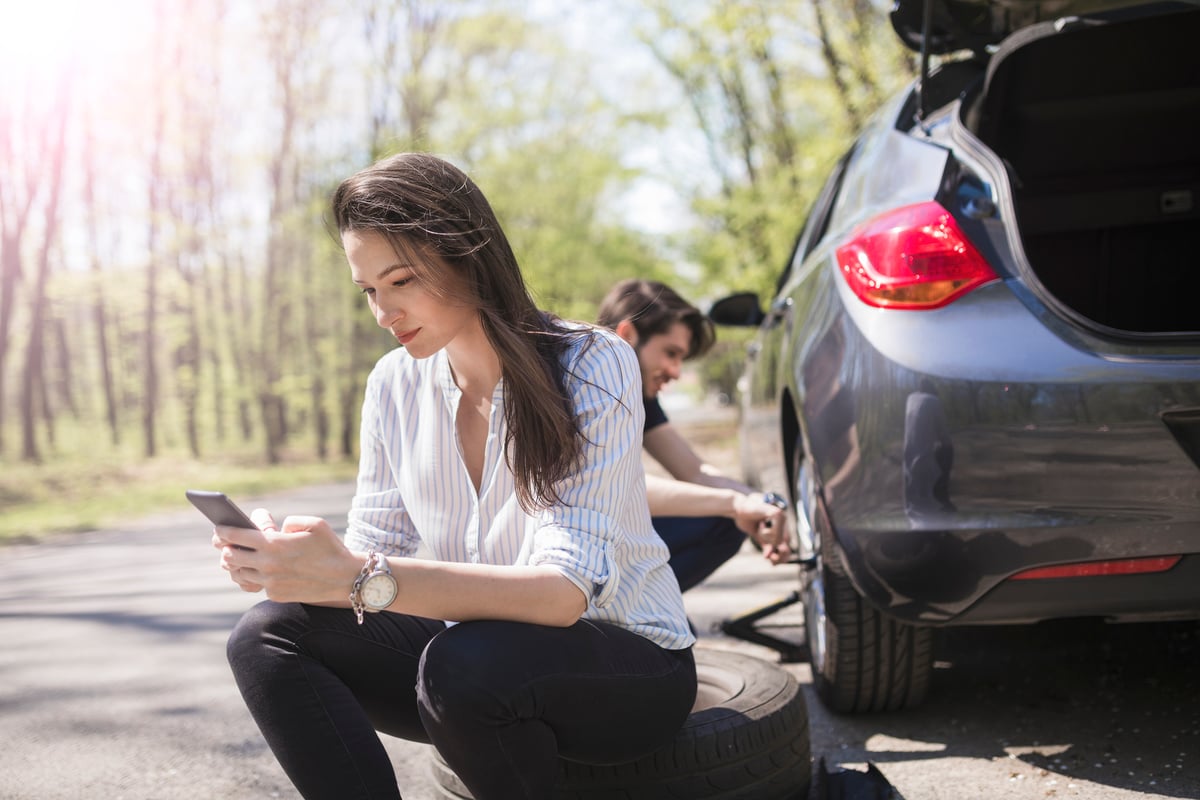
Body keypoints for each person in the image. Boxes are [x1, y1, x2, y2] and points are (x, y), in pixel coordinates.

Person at [212, 153, 697, 800]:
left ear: (468, 255)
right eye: (368, 290)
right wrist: (294, 564)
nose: (382, 311)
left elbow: (563, 594)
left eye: (402, 280)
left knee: (464, 666)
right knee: (269, 633)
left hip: (628, 662)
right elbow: (377, 555)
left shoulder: (592, 363)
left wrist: (360, 577)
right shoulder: (393, 382)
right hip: (471, 657)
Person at [597, 279, 791, 593]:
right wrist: (733, 503)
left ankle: (643, 610)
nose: (675, 372)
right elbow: (613, 488)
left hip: (603, 536)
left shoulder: (637, 393)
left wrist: (756, 502)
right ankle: (624, 618)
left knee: (723, 521)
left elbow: (693, 471)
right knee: (724, 511)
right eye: (670, 353)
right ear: (628, 334)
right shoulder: (580, 387)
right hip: (554, 546)